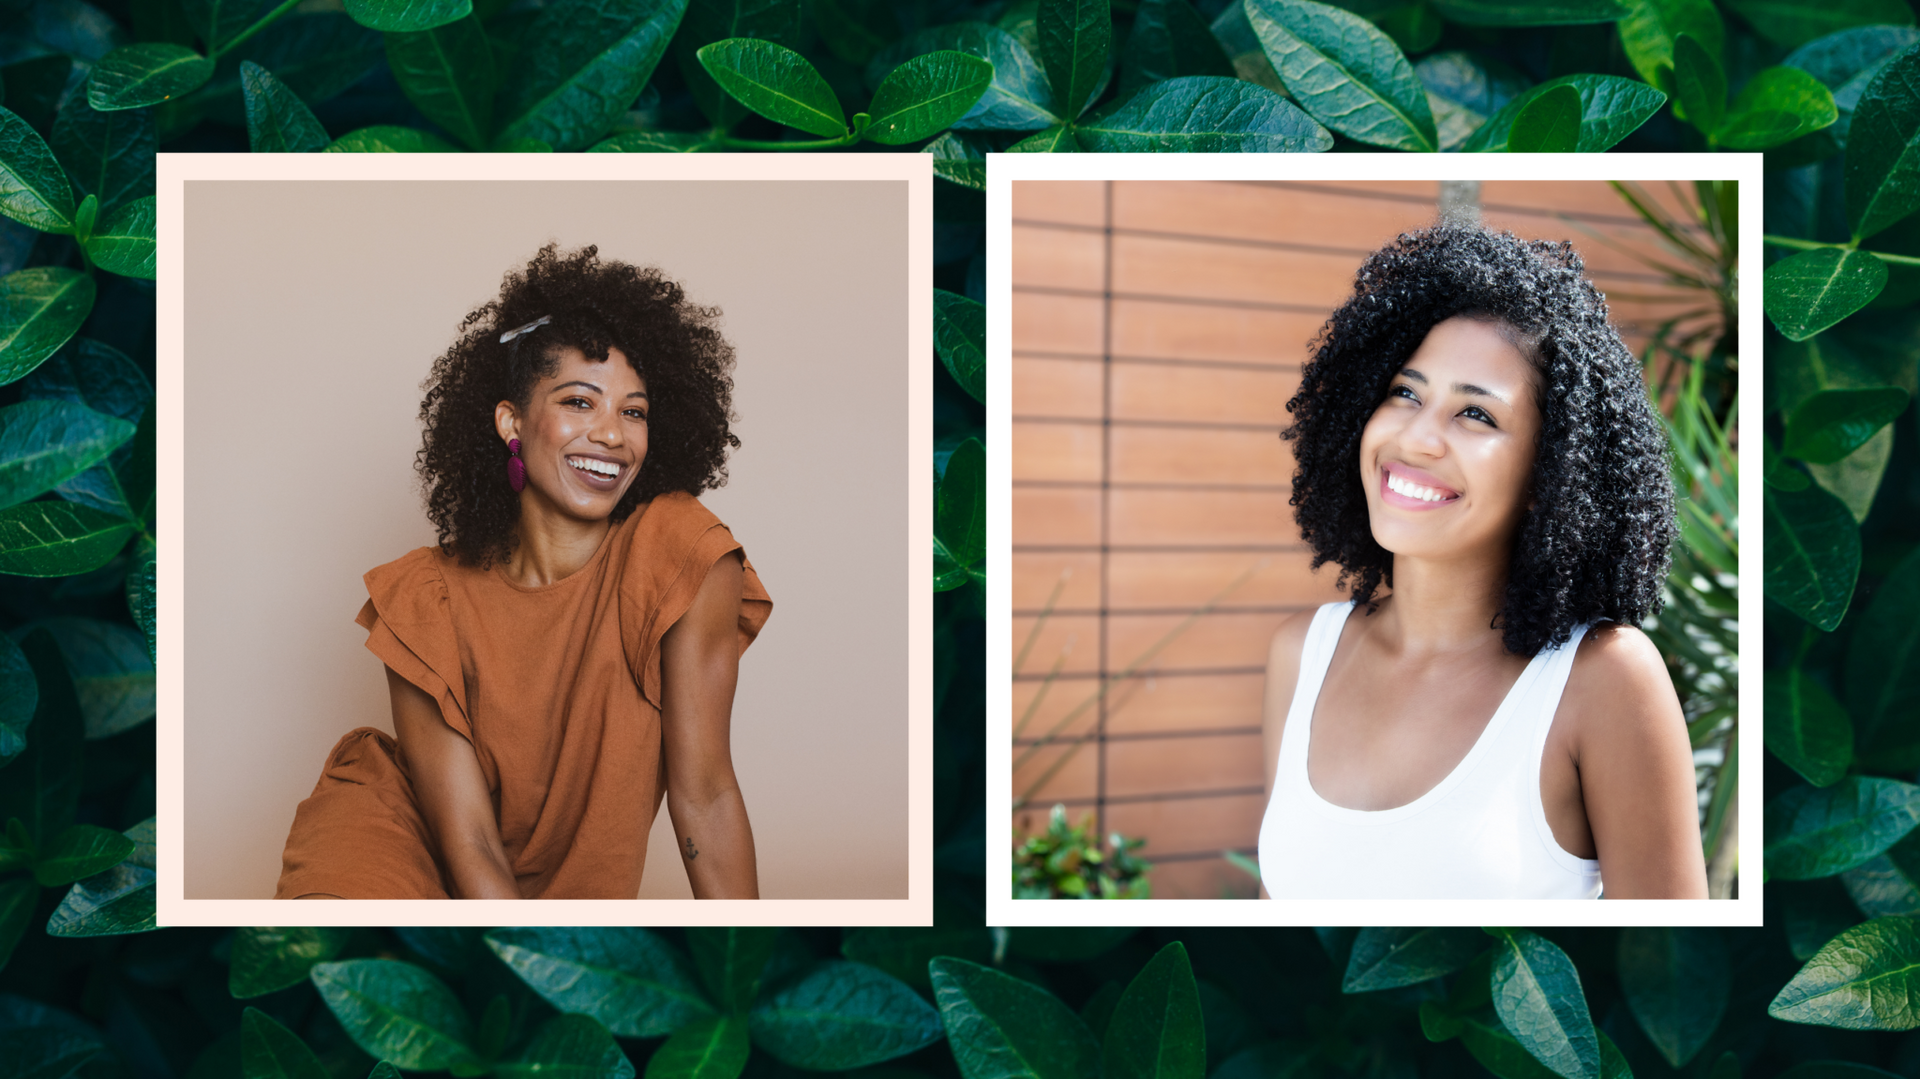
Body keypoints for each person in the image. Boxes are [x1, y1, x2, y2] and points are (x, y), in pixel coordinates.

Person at [274, 243, 771, 899]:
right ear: (512, 420)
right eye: (579, 402)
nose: (613, 436)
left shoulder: (679, 554)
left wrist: (746, 973)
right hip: (397, 847)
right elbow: (472, 841)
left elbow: (705, 796)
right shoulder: (427, 599)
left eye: (634, 410)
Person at [1255, 224, 1709, 900]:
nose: (1416, 436)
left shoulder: (1603, 680)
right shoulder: (1303, 654)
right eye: (1406, 392)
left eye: (1475, 414)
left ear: (1550, 476)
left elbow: (1667, 977)